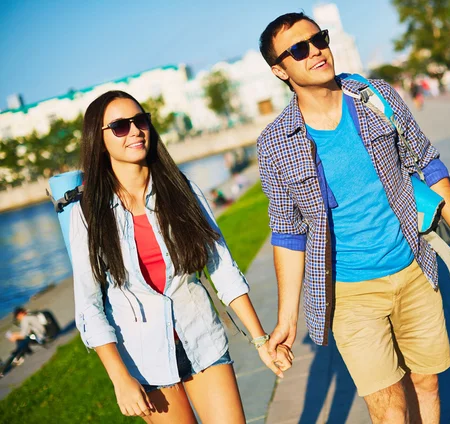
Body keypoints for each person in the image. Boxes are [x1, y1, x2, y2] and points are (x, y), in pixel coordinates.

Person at [257, 12, 450, 423]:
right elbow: (288, 233)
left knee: (427, 383)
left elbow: (428, 164)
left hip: (414, 268)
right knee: (388, 410)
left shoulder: (374, 97)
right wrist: (286, 320)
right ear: (280, 70)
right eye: (298, 50)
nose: (316, 52)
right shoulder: (275, 143)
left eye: (319, 39)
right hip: (350, 293)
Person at [71, 90, 292, 422]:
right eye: (119, 126)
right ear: (98, 140)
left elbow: (223, 269)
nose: (134, 130)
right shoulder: (88, 213)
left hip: (203, 340)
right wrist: (120, 378)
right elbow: (89, 305)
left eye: (140, 120)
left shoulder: (181, 189)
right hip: (146, 361)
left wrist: (261, 340)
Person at [0, 307, 50, 375]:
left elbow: (23, 335)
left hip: (40, 337)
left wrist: (14, 337)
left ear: (20, 314)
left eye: (17, 316)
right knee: (23, 340)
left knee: (21, 340)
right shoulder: (30, 315)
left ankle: (18, 356)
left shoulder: (25, 319)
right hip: (43, 334)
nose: (18, 318)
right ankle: (21, 355)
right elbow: (28, 331)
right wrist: (16, 335)